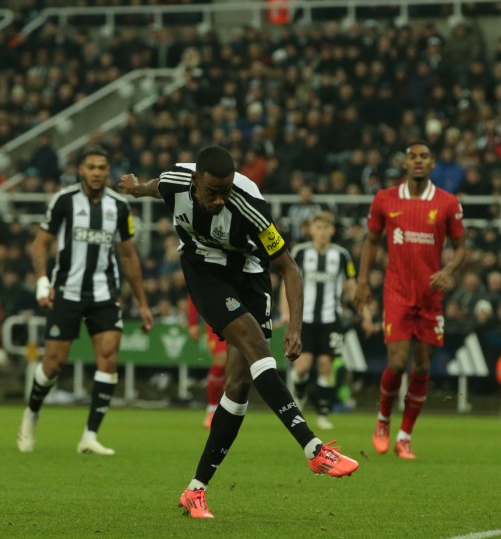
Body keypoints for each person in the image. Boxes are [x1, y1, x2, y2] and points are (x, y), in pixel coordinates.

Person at [119, 145, 358, 518]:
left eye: (225, 192)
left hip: (249, 274)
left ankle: (195, 491)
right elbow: (154, 186)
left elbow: (290, 269)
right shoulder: (174, 182)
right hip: (205, 272)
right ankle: (313, 448)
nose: (218, 200)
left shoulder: (247, 207)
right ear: (195, 181)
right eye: (212, 192)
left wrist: (295, 326)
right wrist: (135, 188)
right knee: (257, 348)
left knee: (238, 387)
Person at [17, 146, 154, 455]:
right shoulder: (64, 201)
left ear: (108, 171)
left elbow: (128, 255)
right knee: (53, 365)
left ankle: (89, 436)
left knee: (108, 357)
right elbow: (40, 245)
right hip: (66, 291)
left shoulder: (119, 207)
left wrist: (143, 303)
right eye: (91, 167)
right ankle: (31, 413)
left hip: (105, 294)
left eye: (102, 167)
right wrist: (42, 280)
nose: (96, 172)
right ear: (80, 170)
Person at [354, 141, 466, 459]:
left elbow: (461, 249)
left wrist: (449, 269)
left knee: (421, 366)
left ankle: (405, 436)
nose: (418, 161)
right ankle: (383, 419)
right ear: (405, 163)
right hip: (398, 292)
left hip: (431, 295)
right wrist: (363, 281)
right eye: (413, 157)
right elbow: (372, 241)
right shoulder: (385, 199)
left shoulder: (447, 203)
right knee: (398, 362)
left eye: (425, 157)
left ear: (433, 163)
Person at [281, 210, 356, 430]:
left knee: (326, 365)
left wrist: (360, 301)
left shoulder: (342, 255)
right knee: (302, 367)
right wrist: (286, 311)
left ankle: (323, 413)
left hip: (331, 318)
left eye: (326, 228)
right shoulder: (300, 252)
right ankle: (301, 394)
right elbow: (289, 283)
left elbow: (350, 284)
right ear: (311, 229)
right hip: (304, 319)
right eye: (319, 227)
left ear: (332, 230)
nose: (322, 232)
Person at [186, 296, 227, 429]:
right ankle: (212, 409)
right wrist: (192, 322)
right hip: (214, 318)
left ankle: (229, 410)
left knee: (235, 364)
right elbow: (194, 291)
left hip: (238, 313)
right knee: (222, 357)